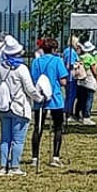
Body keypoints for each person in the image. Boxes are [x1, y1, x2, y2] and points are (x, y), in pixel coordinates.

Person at [0, 36, 43, 176]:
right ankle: (15, 167)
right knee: (18, 139)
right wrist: (40, 97)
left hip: (4, 107)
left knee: (5, 138)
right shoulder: (21, 68)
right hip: (19, 106)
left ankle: (3, 167)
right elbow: (29, 89)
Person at [30, 37, 69, 168]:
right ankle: (55, 157)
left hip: (39, 99)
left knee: (38, 128)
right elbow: (63, 81)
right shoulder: (57, 60)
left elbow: (32, 79)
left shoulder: (36, 62)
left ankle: (34, 157)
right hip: (55, 99)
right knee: (58, 128)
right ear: (54, 49)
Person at [74, 41, 97, 124]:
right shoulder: (90, 57)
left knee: (81, 99)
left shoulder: (79, 57)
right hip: (89, 79)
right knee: (89, 98)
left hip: (80, 80)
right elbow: (94, 69)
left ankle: (77, 114)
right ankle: (86, 116)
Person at [63, 37, 80, 119]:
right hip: (71, 77)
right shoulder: (71, 52)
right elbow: (69, 65)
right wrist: (77, 65)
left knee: (68, 95)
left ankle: (67, 111)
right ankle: (68, 113)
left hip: (67, 76)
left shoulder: (66, 51)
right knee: (71, 96)